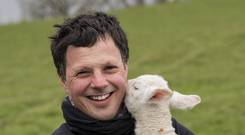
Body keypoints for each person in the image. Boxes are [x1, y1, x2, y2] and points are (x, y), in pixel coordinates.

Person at [50, 11, 194, 135]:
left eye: (109, 68)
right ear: (63, 80)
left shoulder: (167, 129)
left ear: (125, 67)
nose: (99, 83)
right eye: (83, 72)